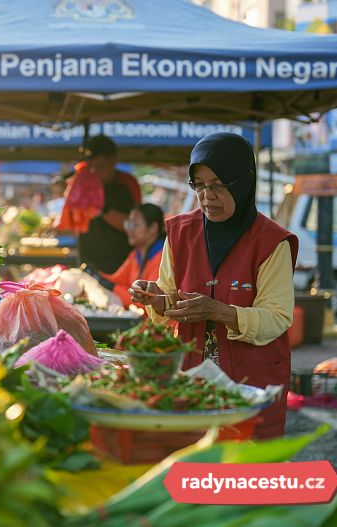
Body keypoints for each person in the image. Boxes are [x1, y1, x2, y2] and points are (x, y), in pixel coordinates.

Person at [130, 132, 297, 439]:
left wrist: (219, 311)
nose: (208, 196)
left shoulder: (271, 242)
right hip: (193, 382)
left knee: (246, 475)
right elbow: (168, 299)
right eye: (200, 186)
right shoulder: (180, 233)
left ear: (243, 183)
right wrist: (156, 299)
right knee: (195, 471)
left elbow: (278, 317)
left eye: (219, 185)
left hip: (251, 385)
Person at [58, 134, 142, 274]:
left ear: (113, 160)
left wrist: (101, 208)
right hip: (87, 262)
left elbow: (134, 226)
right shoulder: (84, 182)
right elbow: (72, 222)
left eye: (100, 166)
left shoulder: (127, 183)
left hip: (121, 265)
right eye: (91, 167)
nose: (94, 172)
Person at [99, 203, 165, 307]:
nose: (129, 229)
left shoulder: (163, 258)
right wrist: (92, 275)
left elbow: (147, 302)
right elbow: (118, 281)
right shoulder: (136, 254)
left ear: (153, 227)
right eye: (129, 224)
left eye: (135, 225)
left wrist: (106, 284)